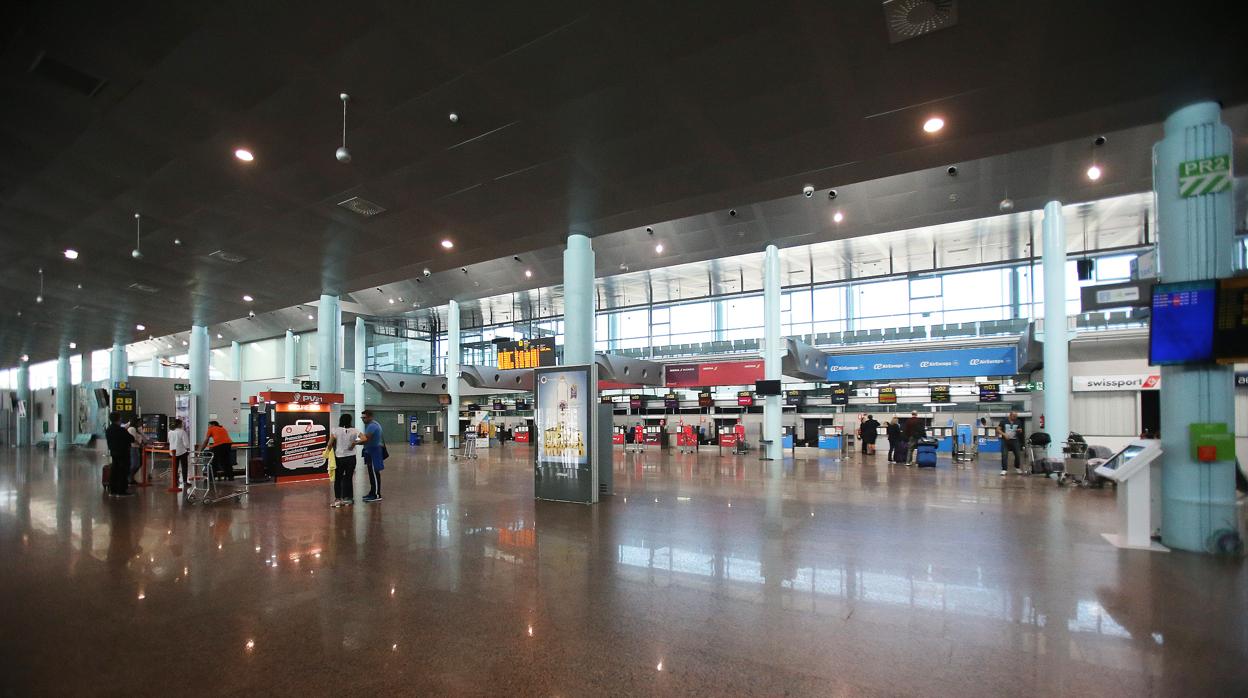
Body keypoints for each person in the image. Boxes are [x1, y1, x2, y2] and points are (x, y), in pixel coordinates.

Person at [327, 414, 359, 508]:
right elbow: (364, 438)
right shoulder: (355, 430)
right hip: (351, 458)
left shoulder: (335, 430)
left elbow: (329, 444)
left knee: (338, 479)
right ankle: (348, 499)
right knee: (348, 478)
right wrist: (354, 443)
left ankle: (338, 500)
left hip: (339, 457)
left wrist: (329, 453)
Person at [357, 409, 386, 502]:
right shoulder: (373, 425)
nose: (363, 419)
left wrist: (354, 443)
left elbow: (366, 439)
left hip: (374, 452)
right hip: (372, 452)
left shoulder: (372, 426)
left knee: (374, 473)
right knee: (372, 473)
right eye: (362, 418)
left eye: (364, 418)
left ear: (370, 417)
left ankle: (377, 494)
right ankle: (372, 492)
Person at [106, 411, 135, 497]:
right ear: (119, 419)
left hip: (114, 452)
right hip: (123, 453)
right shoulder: (121, 430)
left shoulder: (109, 429)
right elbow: (131, 439)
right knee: (123, 471)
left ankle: (113, 490)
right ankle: (122, 490)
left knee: (114, 470)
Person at [997, 410, 1025, 476]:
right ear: (1010, 415)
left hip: (1015, 440)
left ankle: (1017, 467)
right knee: (1004, 455)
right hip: (1005, 441)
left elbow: (1020, 430)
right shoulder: (1003, 421)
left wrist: (1019, 430)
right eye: (1014, 416)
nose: (1015, 417)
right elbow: (998, 429)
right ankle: (1004, 469)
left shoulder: (1018, 421)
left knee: (1018, 455)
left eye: (1016, 416)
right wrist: (1004, 434)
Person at [168, 418, 191, 489]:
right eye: (182, 423)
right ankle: (185, 481)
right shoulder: (182, 432)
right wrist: (188, 449)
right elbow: (186, 443)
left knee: (175, 467)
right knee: (184, 467)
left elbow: (170, 441)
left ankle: (175, 481)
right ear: (179, 424)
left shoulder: (170, 432)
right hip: (182, 451)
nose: (182, 424)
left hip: (173, 452)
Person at [126, 417, 146, 485]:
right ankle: (129, 477)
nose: (141, 423)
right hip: (133, 448)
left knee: (139, 463)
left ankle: (131, 478)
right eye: (139, 422)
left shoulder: (137, 429)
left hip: (136, 447)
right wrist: (140, 444)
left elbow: (141, 437)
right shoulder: (132, 429)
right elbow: (133, 439)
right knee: (135, 464)